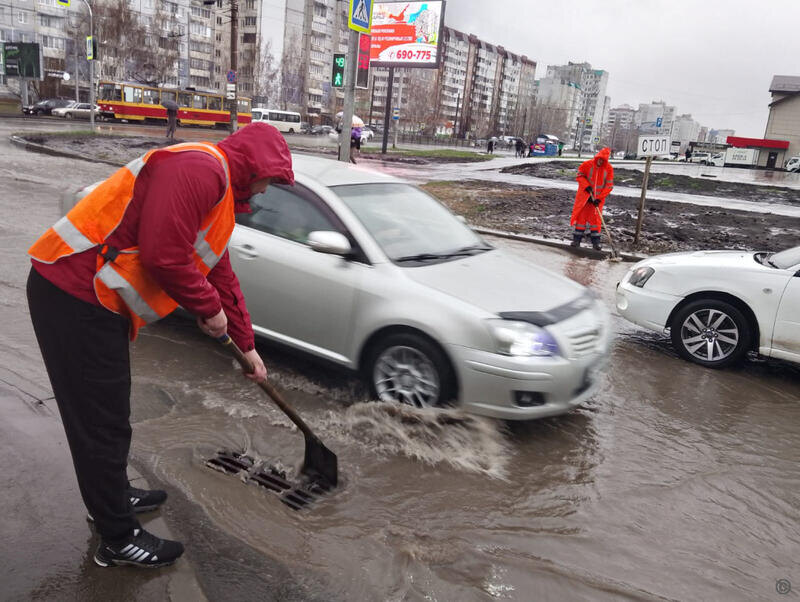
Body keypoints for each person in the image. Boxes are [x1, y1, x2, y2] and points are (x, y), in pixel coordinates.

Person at [26, 123, 294, 569]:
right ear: (254, 166)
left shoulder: (220, 198)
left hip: (92, 300)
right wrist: (208, 310)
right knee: (100, 423)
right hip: (72, 293)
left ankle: (110, 496)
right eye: (270, 179)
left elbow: (218, 273)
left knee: (109, 416)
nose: (266, 190)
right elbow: (163, 253)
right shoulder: (200, 169)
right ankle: (118, 536)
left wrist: (248, 349)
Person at [569, 147, 614, 250]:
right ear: (597, 157)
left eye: (603, 160)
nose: (600, 161)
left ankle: (596, 243)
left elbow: (609, 186)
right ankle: (576, 241)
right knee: (581, 220)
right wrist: (586, 186)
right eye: (599, 159)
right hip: (585, 197)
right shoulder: (587, 165)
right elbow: (580, 176)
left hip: (597, 201)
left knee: (596, 221)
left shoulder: (608, 169)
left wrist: (599, 198)